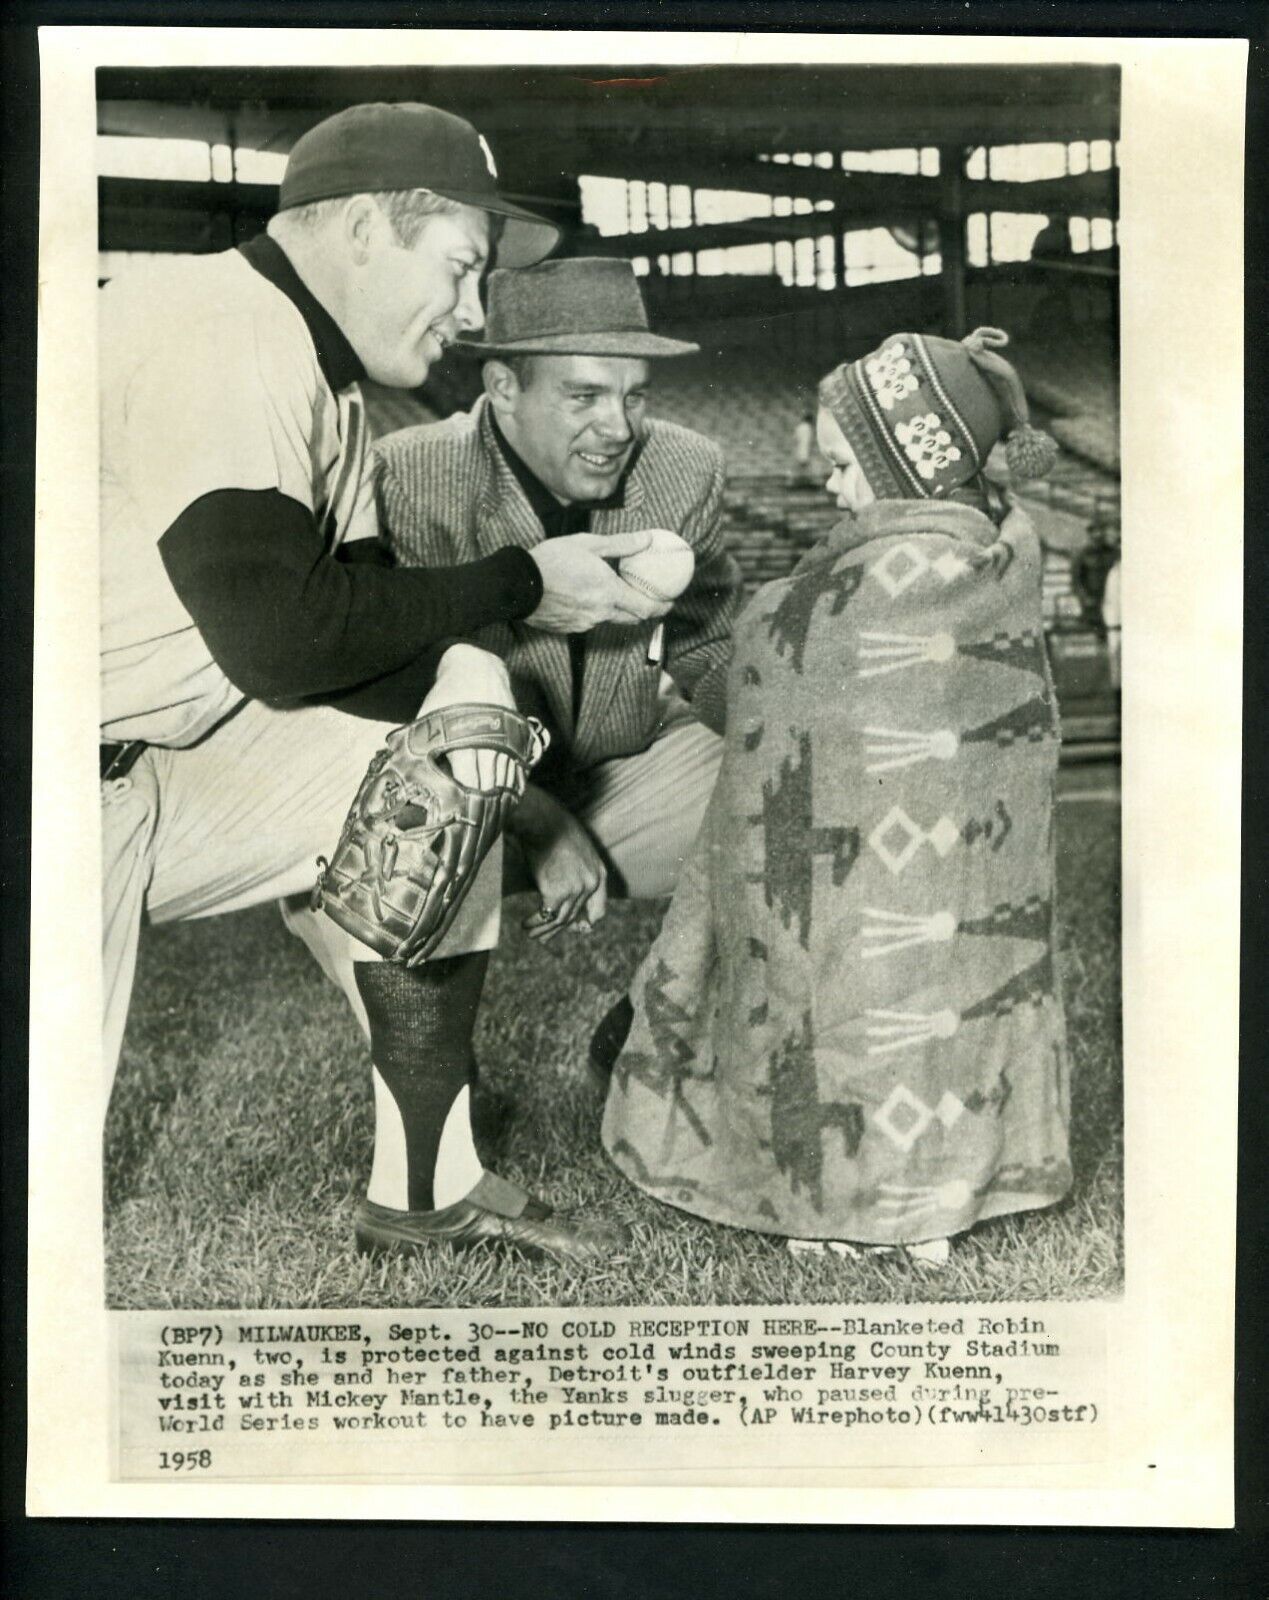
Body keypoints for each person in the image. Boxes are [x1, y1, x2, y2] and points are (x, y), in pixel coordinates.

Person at [101, 102, 668, 1268]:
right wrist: (519, 581)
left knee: (456, 717)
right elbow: (285, 643)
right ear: (363, 227)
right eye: (460, 269)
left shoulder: (333, 386)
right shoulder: (216, 323)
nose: (471, 316)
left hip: (159, 770)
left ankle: (428, 1184)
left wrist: (529, 798)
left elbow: (372, 661)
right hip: (55, 798)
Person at [285, 258, 742, 1247]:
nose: (617, 425)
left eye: (632, 395)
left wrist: (809, 735)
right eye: (583, 393)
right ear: (502, 389)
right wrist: (539, 819)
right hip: (467, 788)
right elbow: (385, 699)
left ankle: (650, 1017)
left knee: (780, 795)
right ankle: (439, 1092)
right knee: (349, 842)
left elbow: (709, 646)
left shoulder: (685, 468)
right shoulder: (411, 477)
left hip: (620, 771)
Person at [599, 326, 1074, 1269]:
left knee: (838, 999)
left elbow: (755, 703)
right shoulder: (1002, 569)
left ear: (899, 464)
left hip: (844, 901)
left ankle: (832, 1195)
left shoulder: (811, 601)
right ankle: (953, 1178)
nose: (826, 479)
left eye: (843, 459)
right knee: (952, 994)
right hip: (964, 902)